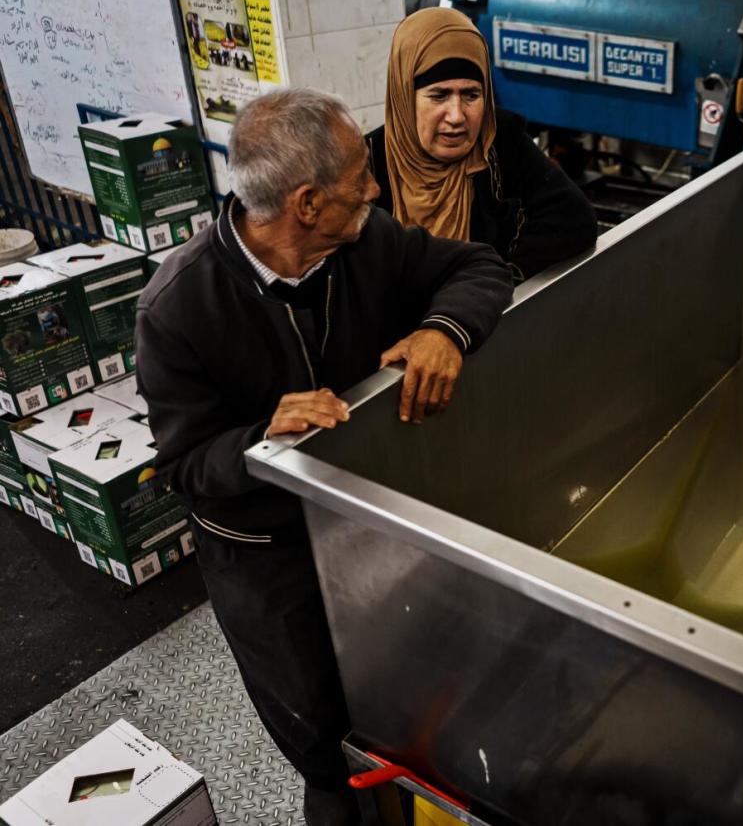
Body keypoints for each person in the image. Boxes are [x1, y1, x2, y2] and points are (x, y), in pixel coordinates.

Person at [135, 88, 512, 826]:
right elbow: (186, 466)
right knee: (324, 746)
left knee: (401, 715)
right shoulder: (177, 309)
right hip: (269, 565)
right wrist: (260, 439)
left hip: (371, 534)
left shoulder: (367, 243)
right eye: (360, 179)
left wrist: (445, 329)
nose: (375, 189)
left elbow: (480, 267)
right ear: (307, 203)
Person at [370, 7, 598, 283]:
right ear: (405, 96)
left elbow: (574, 219)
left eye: (471, 95)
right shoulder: (366, 165)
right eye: (439, 95)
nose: (456, 116)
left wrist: (497, 281)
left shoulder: (498, 143)